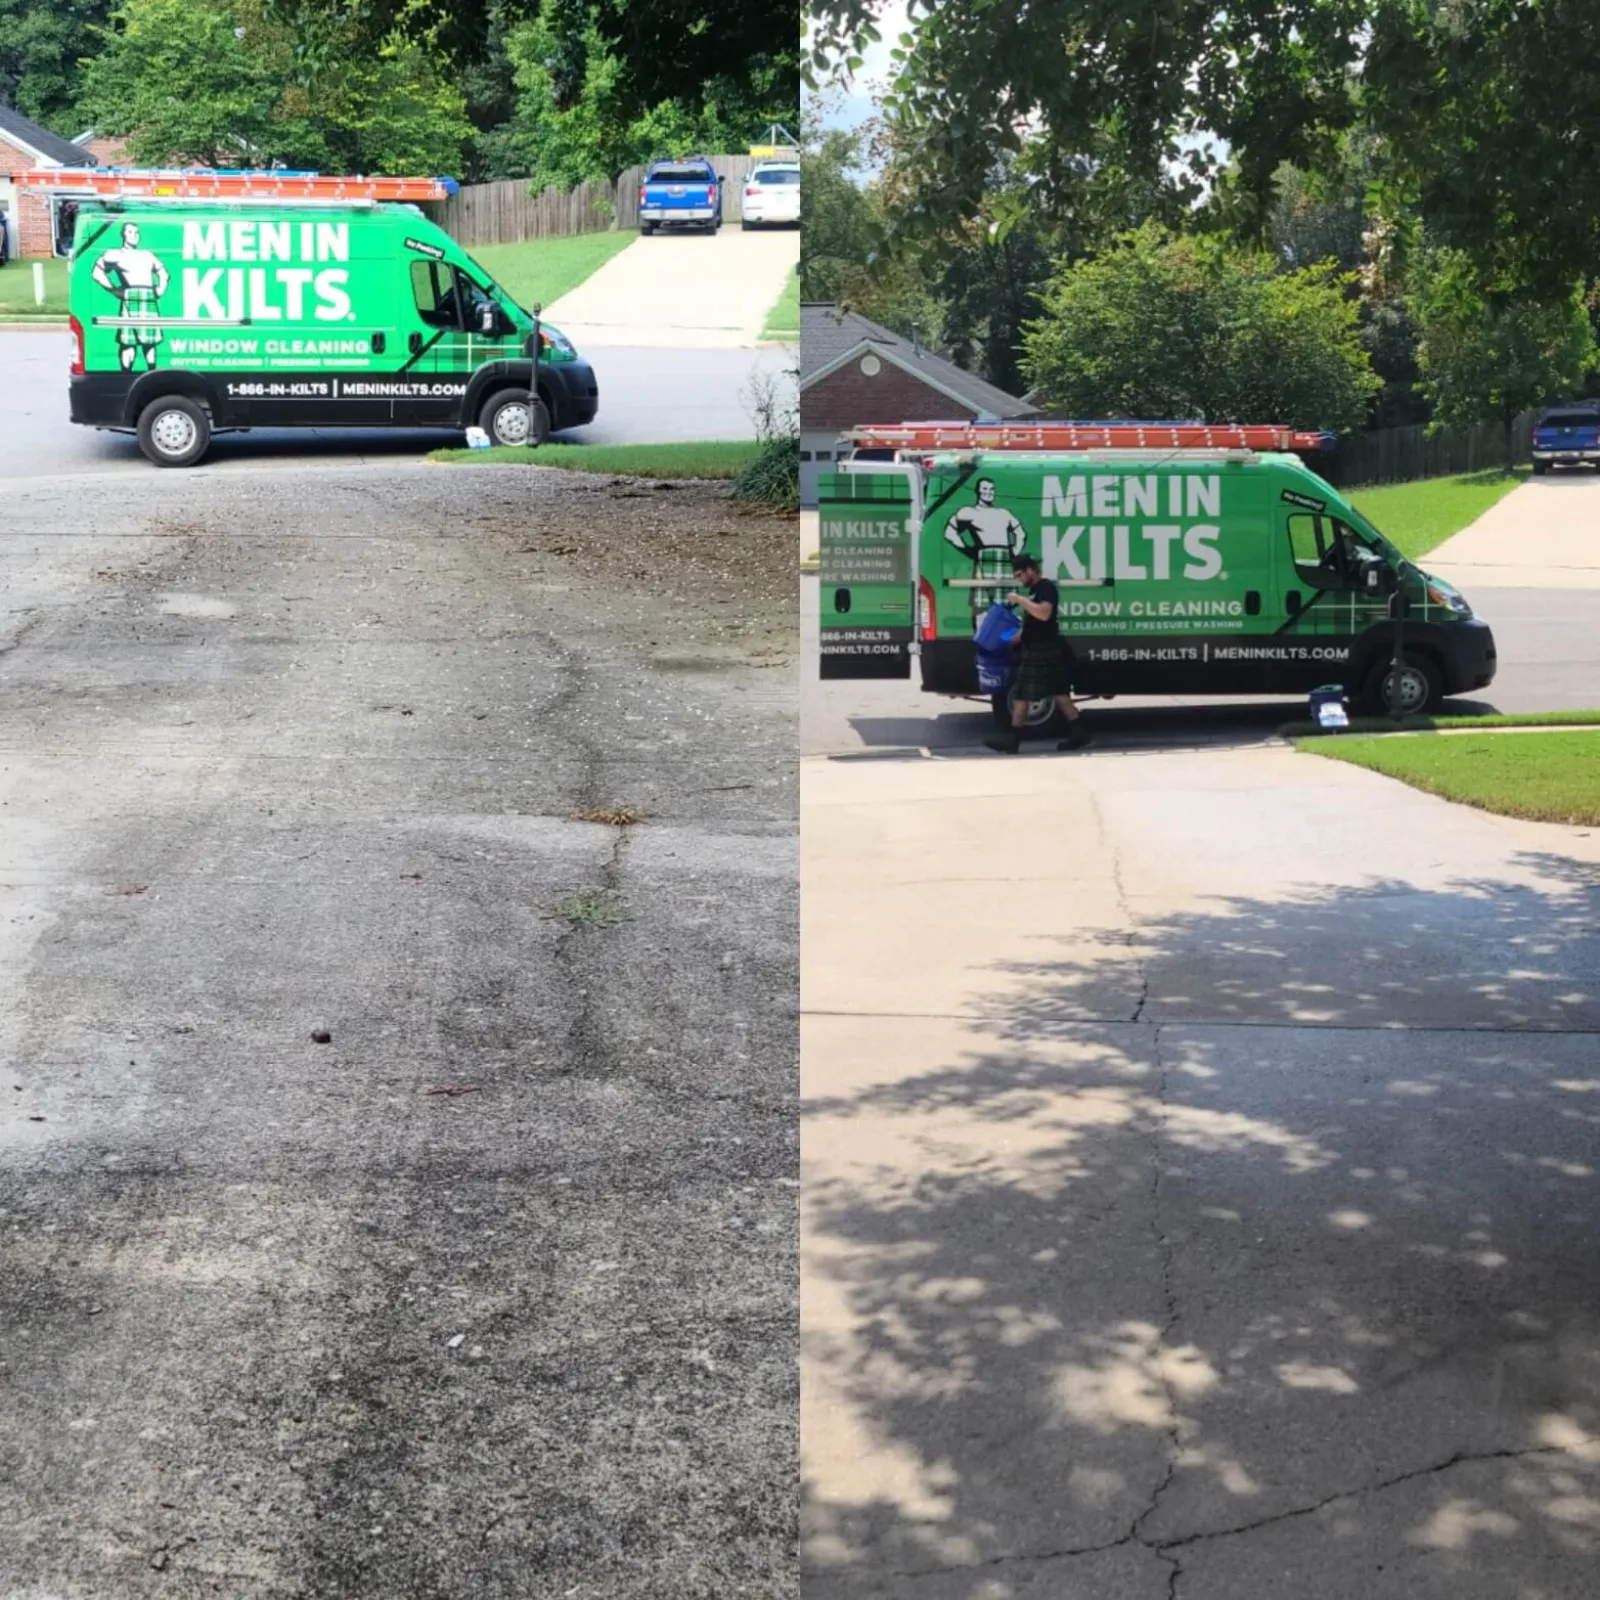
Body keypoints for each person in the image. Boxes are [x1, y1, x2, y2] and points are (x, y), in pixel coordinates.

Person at [983, 552, 1090, 754]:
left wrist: (1020, 600)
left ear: (1030, 571)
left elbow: (1044, 613)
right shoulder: (1034, 591)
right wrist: (1015, 637)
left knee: (1022, 694)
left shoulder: (1045, 588)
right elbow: (1034, 621)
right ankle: (1078, 733)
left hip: (1042, 649)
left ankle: (1012, 739)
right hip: (1039, 647)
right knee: (1059, 693)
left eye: (1019, 574)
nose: (1018, 579)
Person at [90, 222, 169, 372]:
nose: (134, 236)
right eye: (130, 232)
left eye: (136, 232)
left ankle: (152, 371)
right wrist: (114, 290)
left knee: (150, 342)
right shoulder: (115, 255)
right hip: (130, 297)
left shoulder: (147, 255)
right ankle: (126, 374)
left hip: (148, 298)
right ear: (123, 235)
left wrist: (160, 290)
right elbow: (97, 272)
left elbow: (163, 273)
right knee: (128, 342)